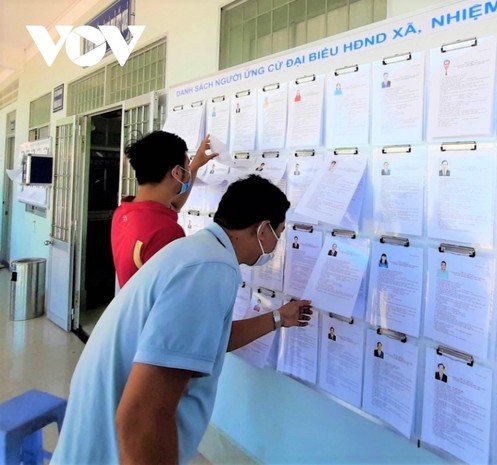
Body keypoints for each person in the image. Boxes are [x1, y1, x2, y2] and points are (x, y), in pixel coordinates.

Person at [52, 175, 314, 465]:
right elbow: (143, 416)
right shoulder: (210, 269)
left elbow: (212, 340)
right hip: (115, 450)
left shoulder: (201, 251)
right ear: (263, 230)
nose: (277, 245)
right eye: (279, 233)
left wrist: (279, 318)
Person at [111, 131, 217, 288]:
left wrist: (194, 166)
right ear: (176, 172)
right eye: (186, 166)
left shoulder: (123, 212)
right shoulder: (166, 232)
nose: (188, 170)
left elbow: (174, 206)